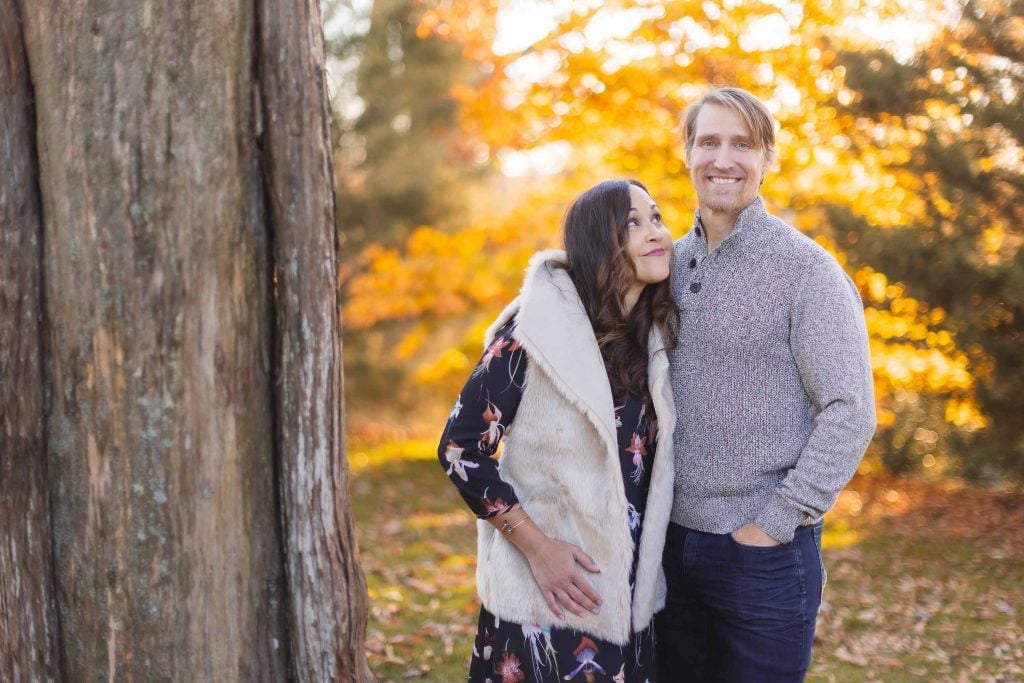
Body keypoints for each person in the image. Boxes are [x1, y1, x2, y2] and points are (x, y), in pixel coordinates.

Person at [656, 86, 877, 681]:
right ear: (688, 154)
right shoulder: (665, 265)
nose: (723, 159)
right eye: (709, 142)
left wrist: (774, 525)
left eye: (742, 144)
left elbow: (850, 409)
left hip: (763, 556)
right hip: (667, 547)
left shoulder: (806, 270)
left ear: (765, 159)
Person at [437, 179, 679, 682]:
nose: (655, 232)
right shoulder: (537, 330)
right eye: (632, 224)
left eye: (656, 217)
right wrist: (538, 549)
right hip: (549, 598)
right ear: (599, 244)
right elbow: (461, 447)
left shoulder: (653, 338)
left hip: (632, 602)